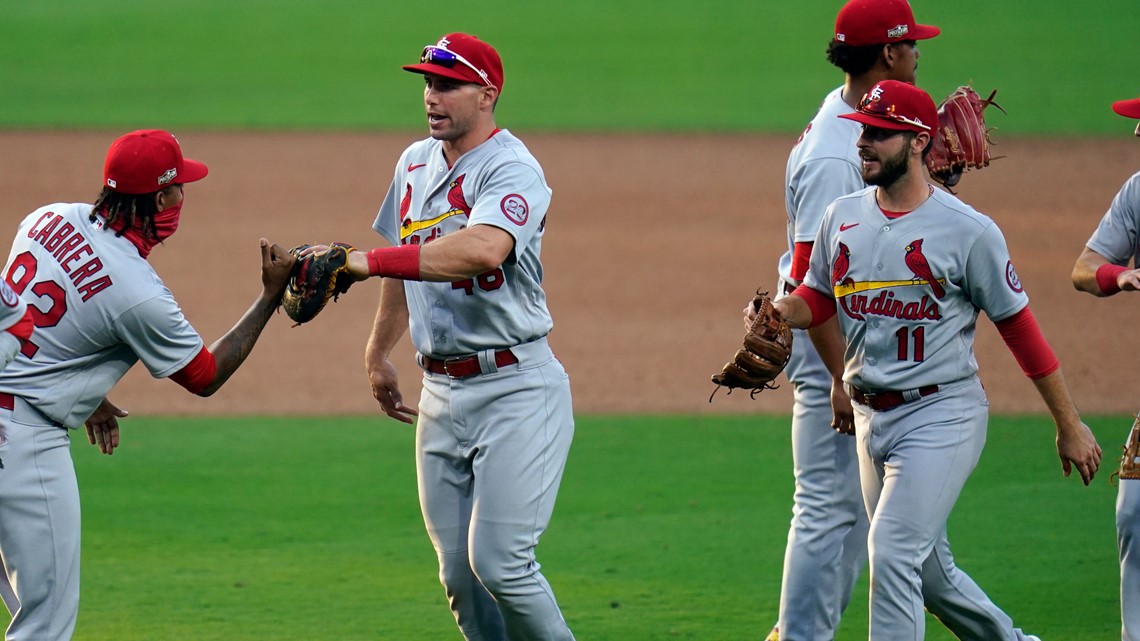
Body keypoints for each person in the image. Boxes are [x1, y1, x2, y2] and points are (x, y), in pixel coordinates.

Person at [761, 79, 1101, 641]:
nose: (864, 143)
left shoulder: (967, 232)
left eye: (880, 134)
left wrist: (1069, 423)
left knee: (891, 552)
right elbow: (816, 297)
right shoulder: (841, 216)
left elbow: (1021, 330)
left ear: (918, 142)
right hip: (871, 418)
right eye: (863, 131)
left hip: (941, 415)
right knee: (927, 572)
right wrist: (780, 313)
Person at [0, 129, 295, 641]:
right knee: (44, 623)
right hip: (21, 446)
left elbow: (29, 324)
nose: (184, 196)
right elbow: (203, 376)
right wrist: (270, 295)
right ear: (161, 199)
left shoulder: (48, 217)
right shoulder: (138, 293)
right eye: (179, 187)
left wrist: (83, 394)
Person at [344, 33, 575, 641]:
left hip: (515, 389)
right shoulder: (414, 162)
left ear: (487, 94)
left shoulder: (512, 167)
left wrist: (367, 262)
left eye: (448, 85)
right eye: (427, 83)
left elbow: (482, 248)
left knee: (503, 565)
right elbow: (405, 258)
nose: (431, 96)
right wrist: (377, 352)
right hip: (439, 397)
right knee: (461, 579)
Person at [766, 1, 939, 639]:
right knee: (825, 508)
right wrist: (843, 376)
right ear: (889, 54)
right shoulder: (838, 155)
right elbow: (817, 277)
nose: (919, 54)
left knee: (848, 512)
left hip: (849, 339)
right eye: (911, 45)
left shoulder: (851, 120)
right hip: (832, 342)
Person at [1069, 94, 1140, 641]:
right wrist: (1118, 276)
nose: (1137, 134)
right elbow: (1084, 268)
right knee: (1133, 514)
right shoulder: (1138, 191)